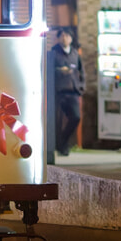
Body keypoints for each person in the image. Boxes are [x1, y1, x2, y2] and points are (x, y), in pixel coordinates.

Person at [49, 27, 84, 156]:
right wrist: (59, 71)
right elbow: (48, 70)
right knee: (56, 121)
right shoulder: (54, 52)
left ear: (71, 38)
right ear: (58, 38)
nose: (65, 38)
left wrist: (81, 87)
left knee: (76, 117)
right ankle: (60, 146)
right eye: (62, 36)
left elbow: (81, 71)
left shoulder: (75, 53)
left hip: (73, 91)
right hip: (58, 91)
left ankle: (63, 142)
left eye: (67, 36)